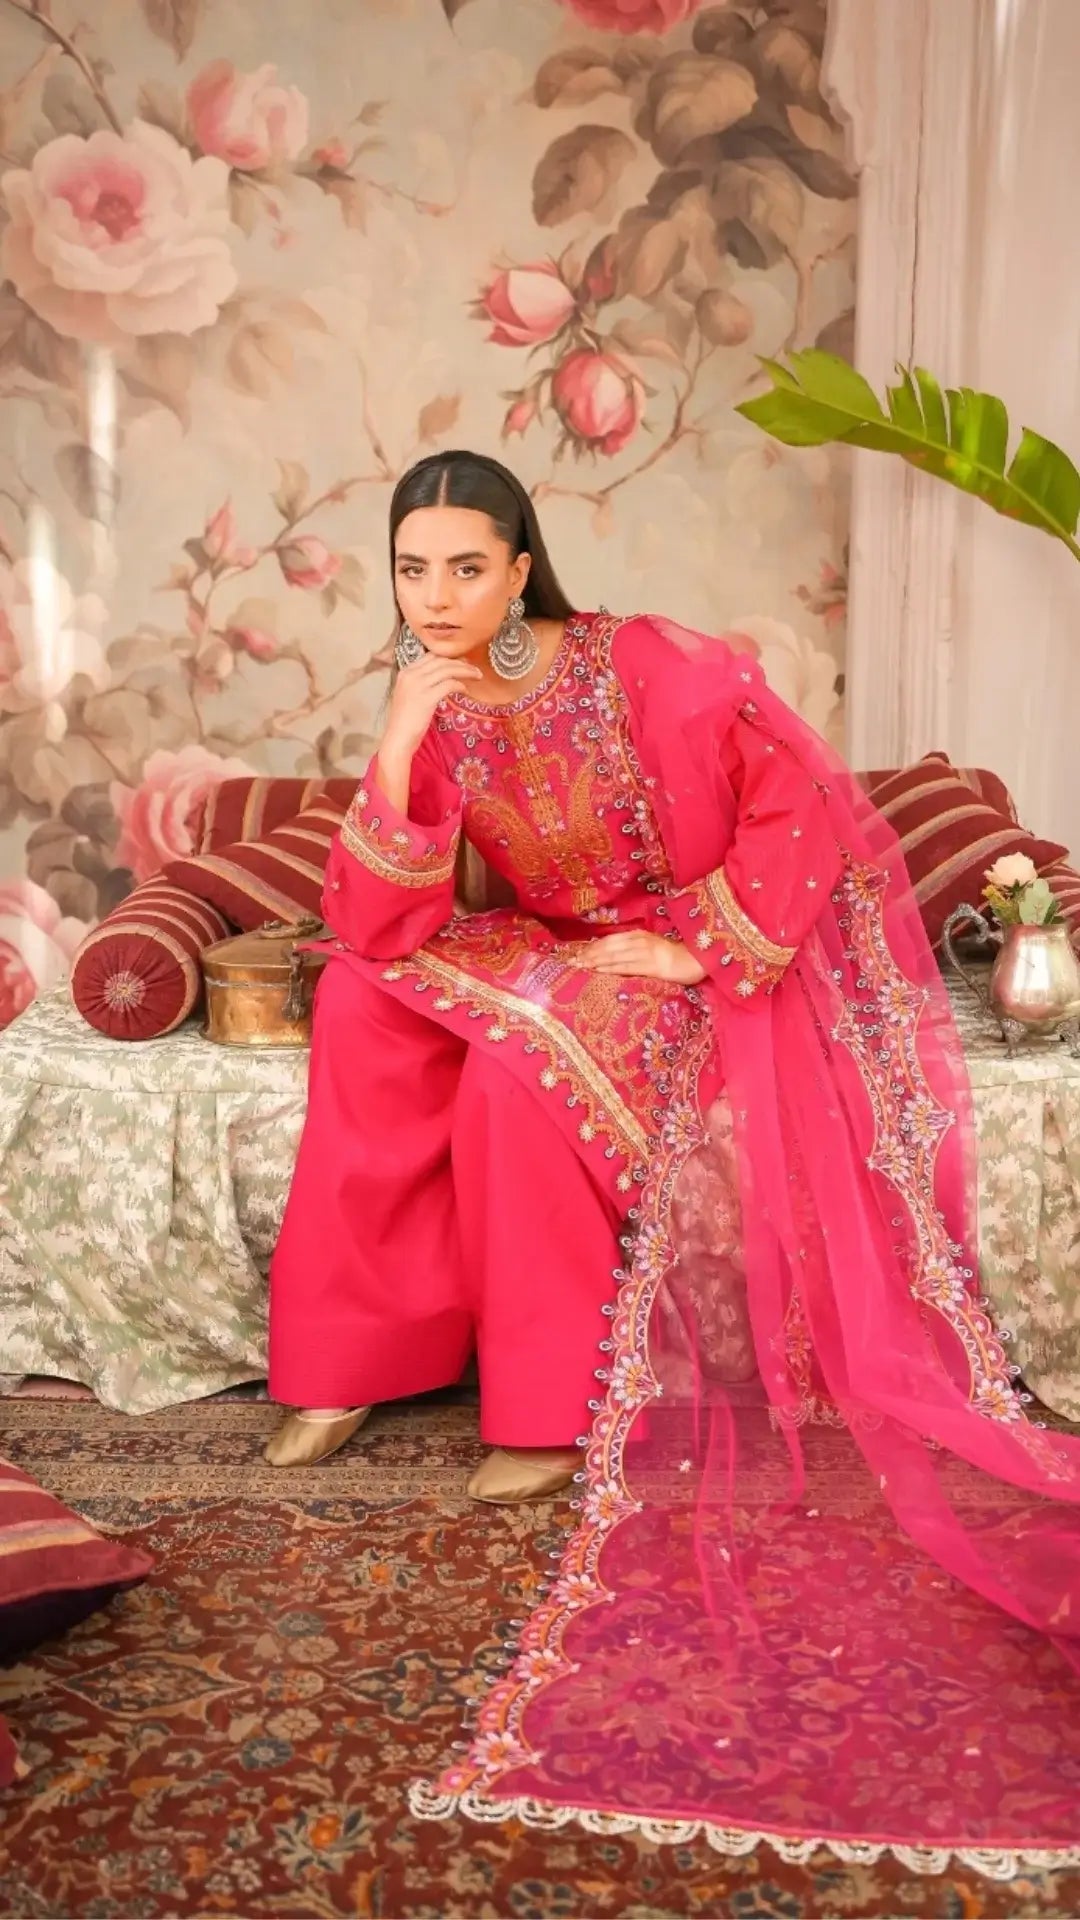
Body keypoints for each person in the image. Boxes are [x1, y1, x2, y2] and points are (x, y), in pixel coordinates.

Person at [264, 449, 1080, 1852]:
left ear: (524, 568)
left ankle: (542, 1403)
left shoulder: (645, 660)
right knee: (353, 994)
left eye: (469, 566)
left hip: (705, 964)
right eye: (414, 570)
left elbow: (801, 806)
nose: (441, 596)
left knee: (520, 1059)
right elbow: (378, 919)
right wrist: (401, 735)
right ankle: (349, 1359)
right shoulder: (442, 705)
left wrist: (692, 938)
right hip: (568, 953)